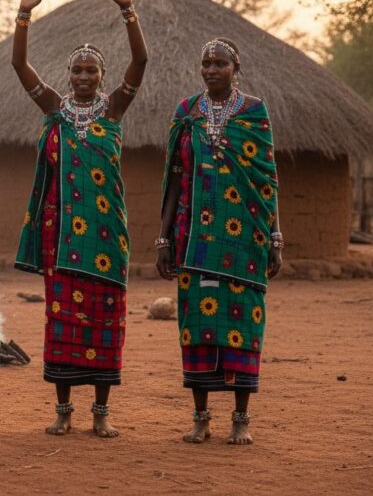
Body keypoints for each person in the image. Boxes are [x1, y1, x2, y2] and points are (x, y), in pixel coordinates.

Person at [12, 0, 148, 437]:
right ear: (68, 76)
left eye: (92, 71)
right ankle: (64, 412)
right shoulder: (54, 109)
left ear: (103, 77)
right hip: (61, 236)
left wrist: (127, 9)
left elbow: (142, 61)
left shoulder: (114, 110)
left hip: (107, 236)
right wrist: (24, 14)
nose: (84, 76)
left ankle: (102, 414)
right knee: (63, 319)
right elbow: (19, 66)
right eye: (77, 70)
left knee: (106, 318)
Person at [156, 37, 283, 445]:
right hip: (193, 241)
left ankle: (241, 419)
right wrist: (163, 237)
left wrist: (275, 238)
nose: (212, 69)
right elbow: (175, 176)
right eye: (206, 63)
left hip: (244, 244)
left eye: (220, 63)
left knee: (243, 327)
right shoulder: (186, 111)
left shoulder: (253, 111)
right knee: (197, 327)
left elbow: (267, 180)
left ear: (236, 66)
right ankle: (201, 417)